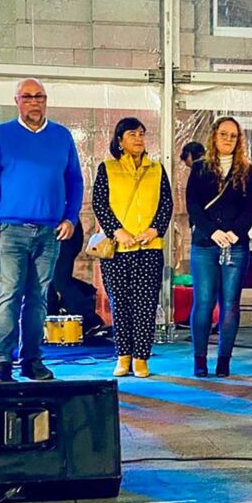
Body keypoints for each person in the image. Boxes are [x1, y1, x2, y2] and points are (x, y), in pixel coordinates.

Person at [0, 78, 84, 382]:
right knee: (9, 293)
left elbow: (74, 180)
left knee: (39, 298)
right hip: (11, 229)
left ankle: (32, 360)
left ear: (46, 100)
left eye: (39, 96)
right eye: (27, 97)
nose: (34, 102)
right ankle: (1, 361)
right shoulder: (1, 136)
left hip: (50, 231)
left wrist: (70, 217)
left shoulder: (61, 136)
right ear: (17, 101)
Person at [93, 118, 173, 378]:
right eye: (132, 134)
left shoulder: (157, 169)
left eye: (141, 134)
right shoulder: (107, 168)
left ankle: (141, 358)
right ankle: (123, 356)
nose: (139, 139)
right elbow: (100, 204)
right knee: (121, 304)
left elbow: (166, 205)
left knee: (146, 304)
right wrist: (118, 231)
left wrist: (154, 230)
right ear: (120, 140)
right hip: (117, 249)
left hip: (149, 248)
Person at [186, 117, 252, 377]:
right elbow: (192, 206)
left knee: (230, 304)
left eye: (234, 136)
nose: (229, 139)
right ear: (214, 136)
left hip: (236, 244)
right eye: (224, 134)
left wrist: (235, 233)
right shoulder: (200, 168)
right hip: (205, 244)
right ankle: (200, 359)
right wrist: (213, 231)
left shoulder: (246, 171)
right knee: (203, 302)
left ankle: (223, 361)